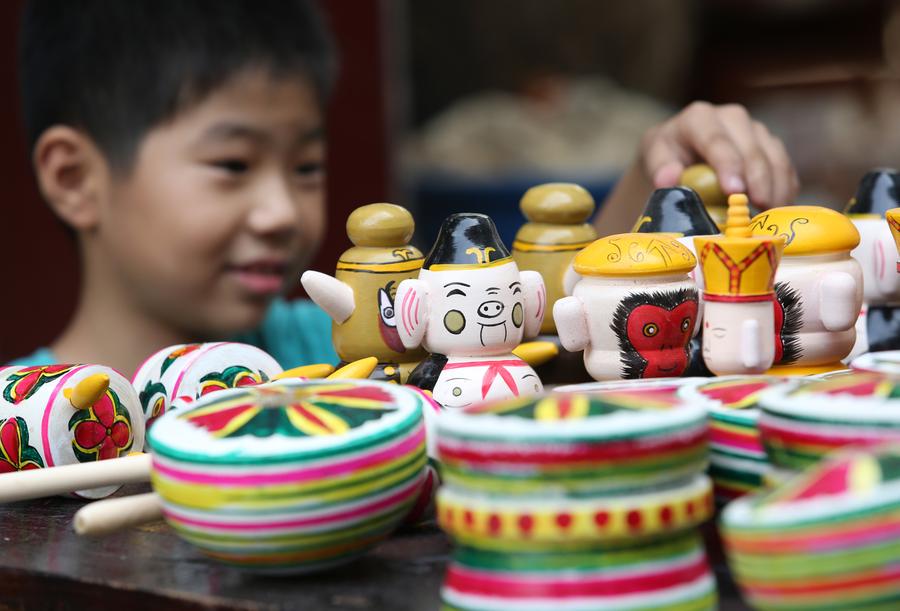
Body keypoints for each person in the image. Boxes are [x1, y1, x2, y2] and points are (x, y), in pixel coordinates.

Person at [10, 0, 798, 375]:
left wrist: (656, 172)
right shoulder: (19, 419)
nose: (284, 212)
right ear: (76, 179)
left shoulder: (338, 345)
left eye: (307, 166)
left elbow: (551, 321)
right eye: (232, 165)